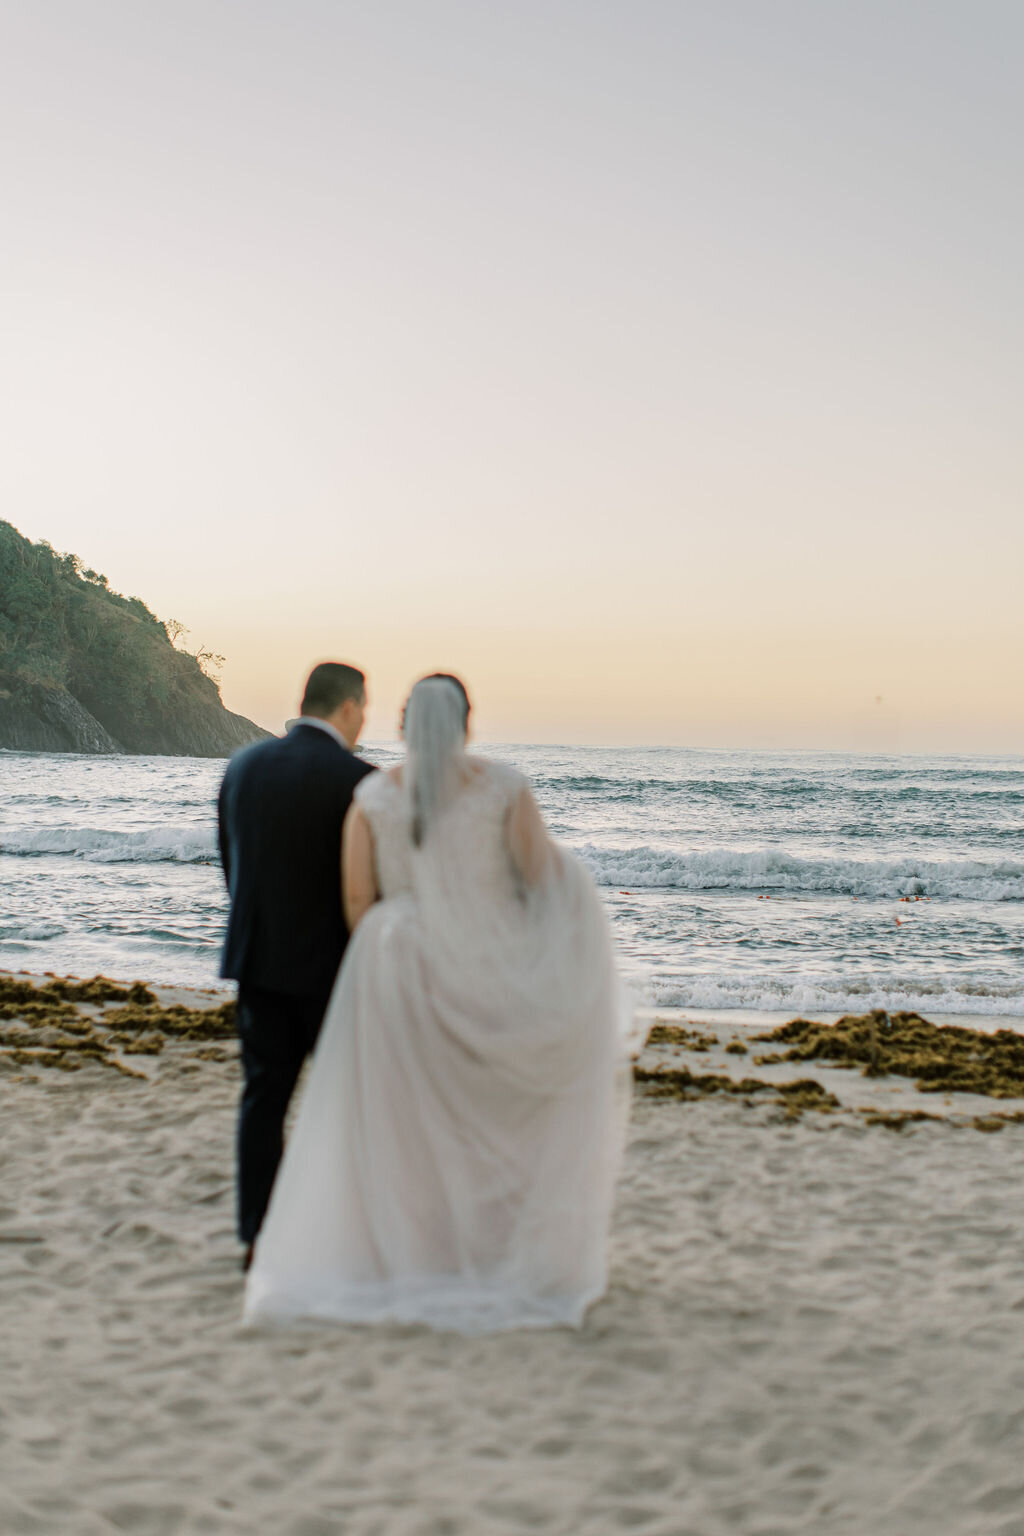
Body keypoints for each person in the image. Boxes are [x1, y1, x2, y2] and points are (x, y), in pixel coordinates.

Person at [244, 674, 633, 1333]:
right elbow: (539, 881)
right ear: (466, 723)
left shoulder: (369, 796)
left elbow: (358, 903)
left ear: (401, 723)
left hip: (393, 972)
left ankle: (406, 1252)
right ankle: (481, 1252)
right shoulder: (504, 787)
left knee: (404, 1120)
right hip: (483, 967)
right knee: (484, 1110)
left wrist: (394, 944)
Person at [218, 661, 375, 1269]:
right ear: (349, 707)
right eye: (363, 709)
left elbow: (232, 864)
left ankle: (257, 1236)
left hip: (257, 962)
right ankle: (334, 1232)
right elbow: (366, 883)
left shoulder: (244, 765)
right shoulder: (360, 780)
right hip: (333, 973)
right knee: (340, 1105)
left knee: (263, 1100)